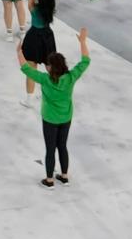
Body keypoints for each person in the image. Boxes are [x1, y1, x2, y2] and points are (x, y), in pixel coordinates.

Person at [24, 25, 92, 186]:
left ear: (49, 67)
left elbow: (25, 69)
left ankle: (49, 180)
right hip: (66, 117)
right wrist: (82, 41)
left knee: (50, 149)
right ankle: (64, 175)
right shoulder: (71, 77)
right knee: (62, 146)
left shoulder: (45, 79)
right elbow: (85, 60)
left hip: (49, 119)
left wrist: (19, 52)